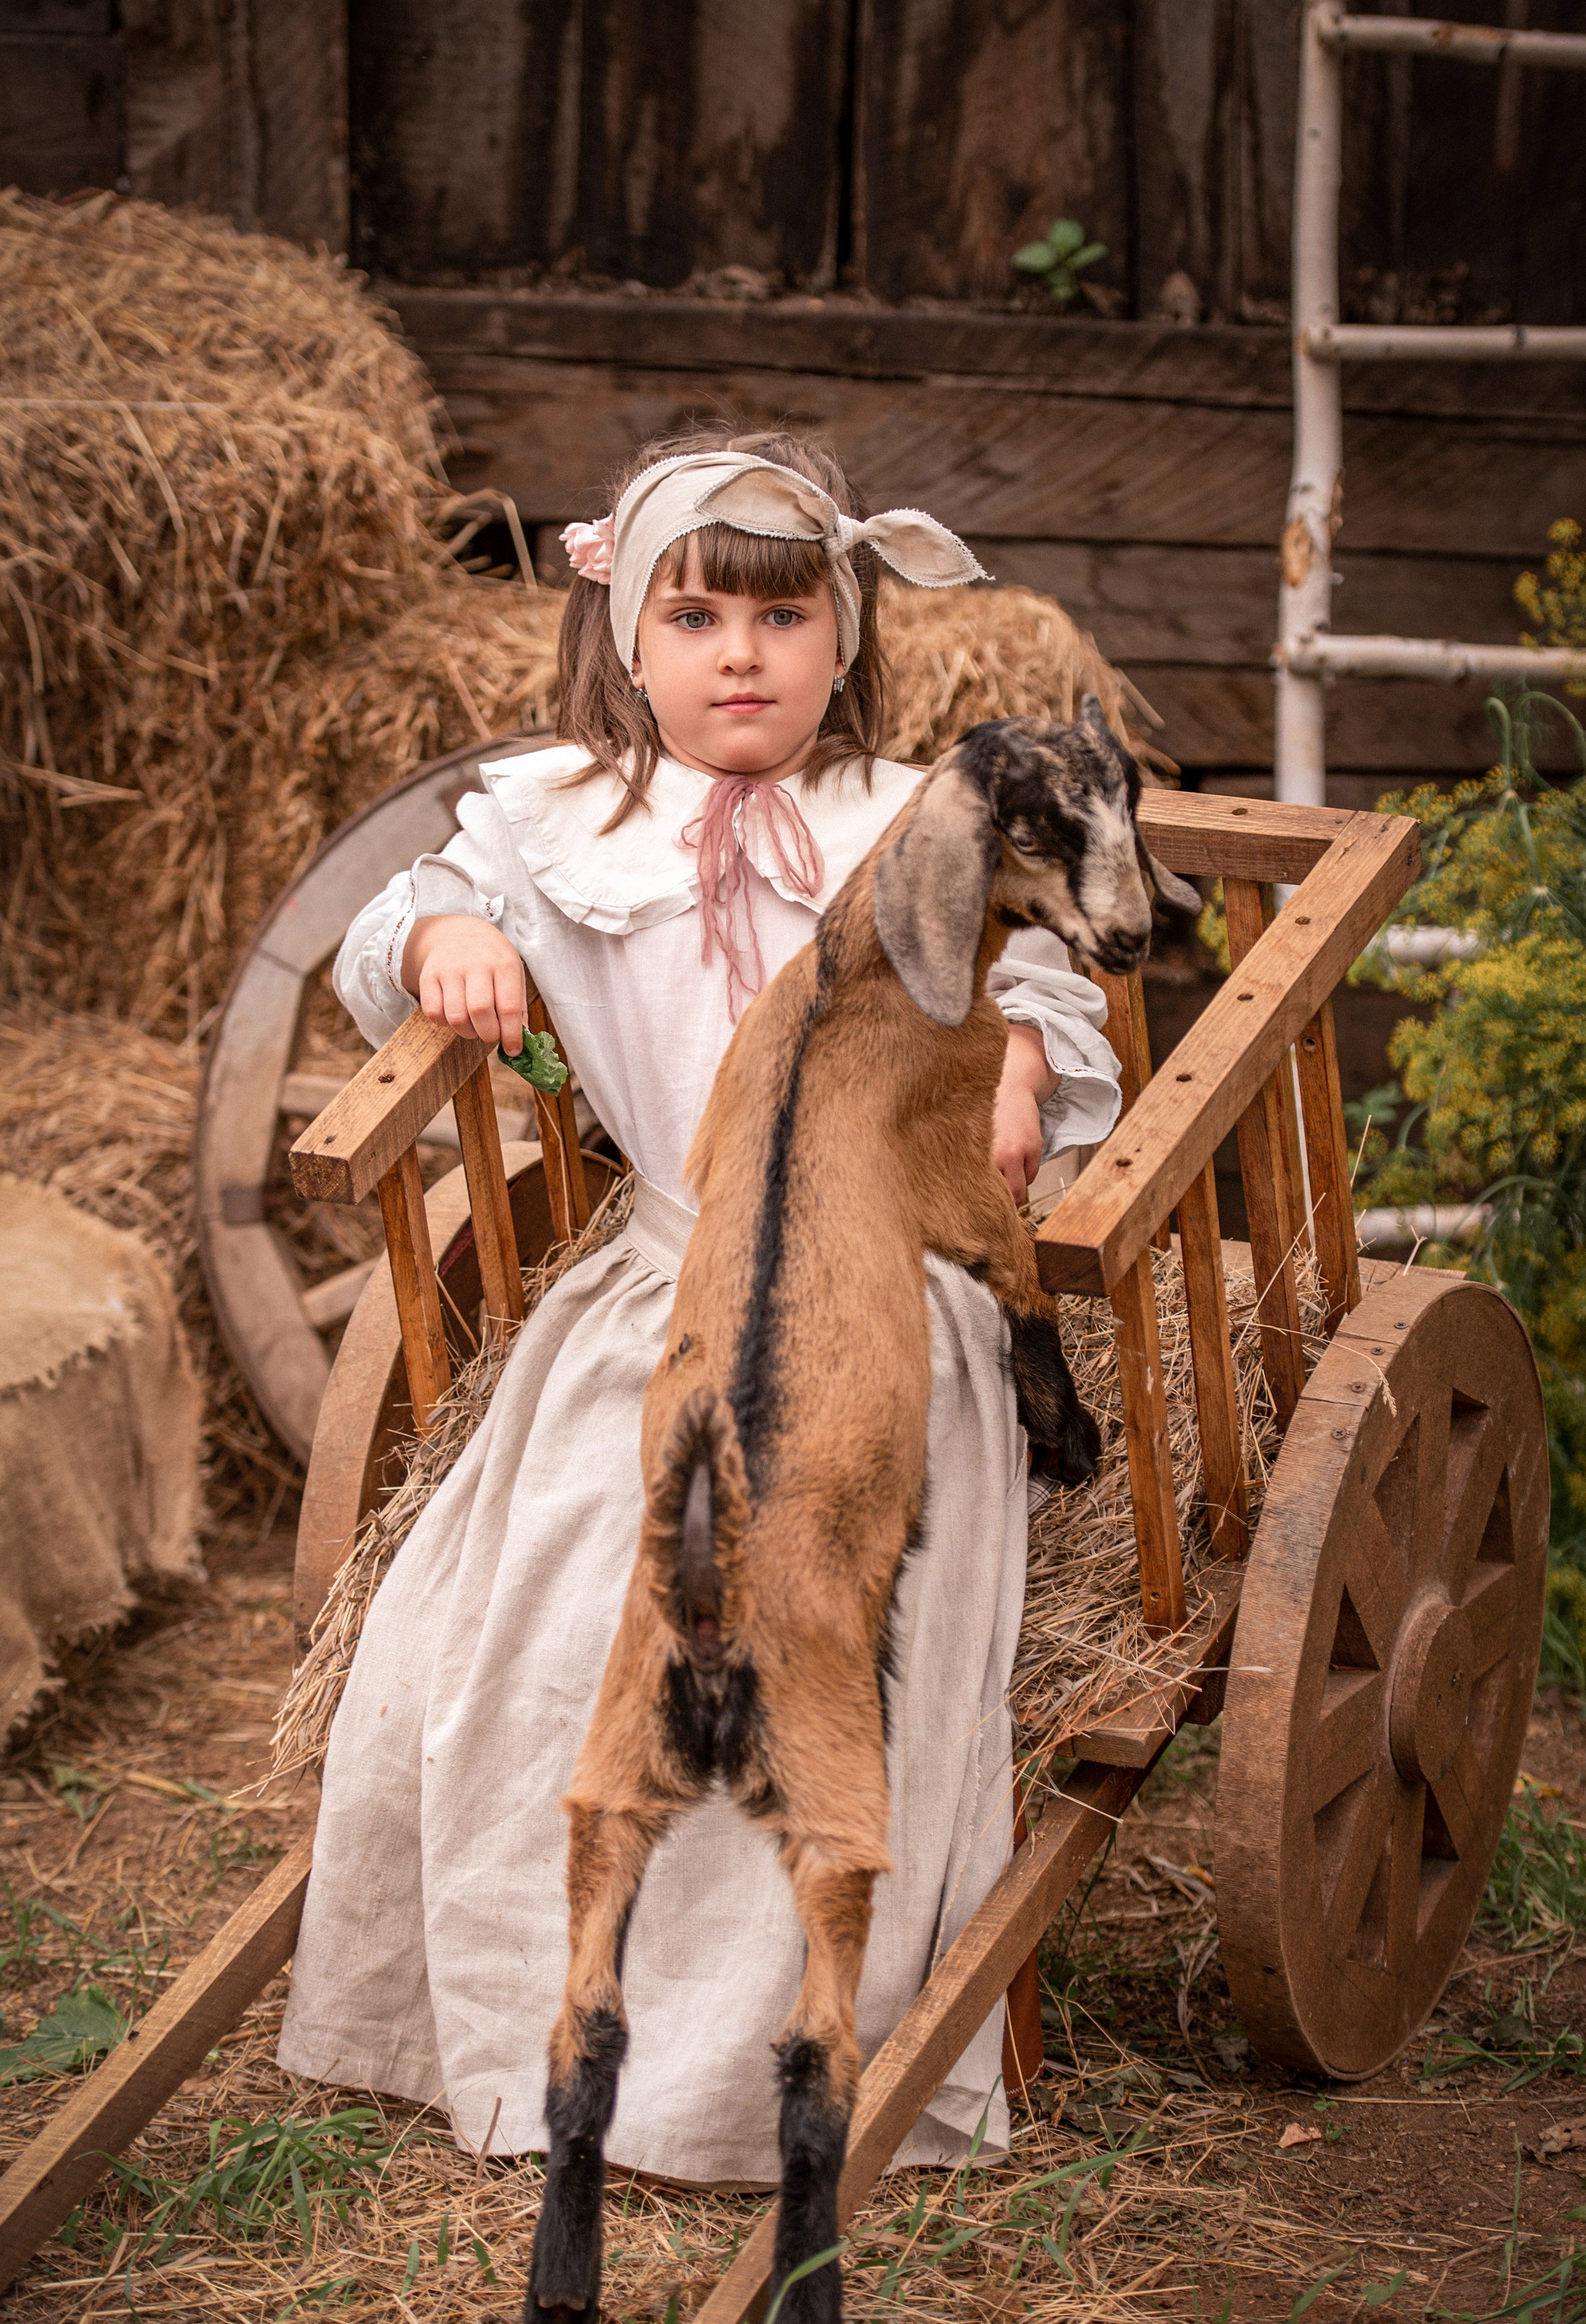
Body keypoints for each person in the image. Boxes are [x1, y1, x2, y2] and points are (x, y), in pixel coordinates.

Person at [278, 428, 1124, 2184]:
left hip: (883, 1287)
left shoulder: (909, 819)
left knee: (829, 1582)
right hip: (668, 1278)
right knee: (566, 1572)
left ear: (844, 640)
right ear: (631, 645)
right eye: (695, 619)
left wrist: (1026, 1046)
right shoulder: (558, 822)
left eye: (783, 616)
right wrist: (449, 939)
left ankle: (756, 2070)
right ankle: (537, 2017)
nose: (740, 657)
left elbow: (1039, 959)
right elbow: (391, 925)